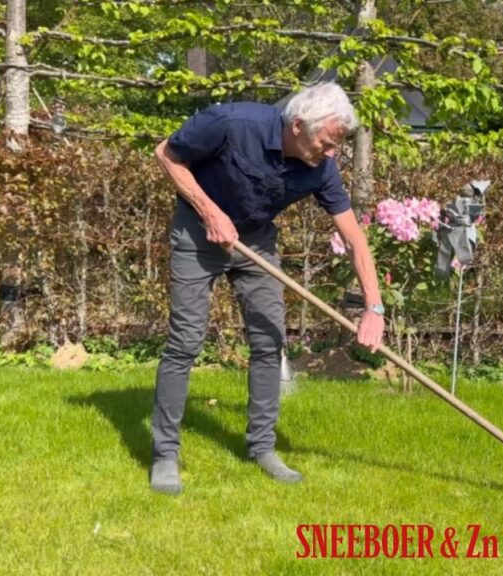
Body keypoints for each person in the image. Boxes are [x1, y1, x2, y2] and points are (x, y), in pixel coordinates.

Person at [149, 83, 385, 494]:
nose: (330, 154)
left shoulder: (321, 166)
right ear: (297, 126)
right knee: (185, 341)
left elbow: (353, 238)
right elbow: (166, 153)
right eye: (326, 143)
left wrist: (374, 308)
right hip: (197, 235)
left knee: (268, 340)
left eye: (337, 146)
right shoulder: (231, 124)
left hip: (255, 242)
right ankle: (165, 454)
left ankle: (262, 447)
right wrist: (209, 211)